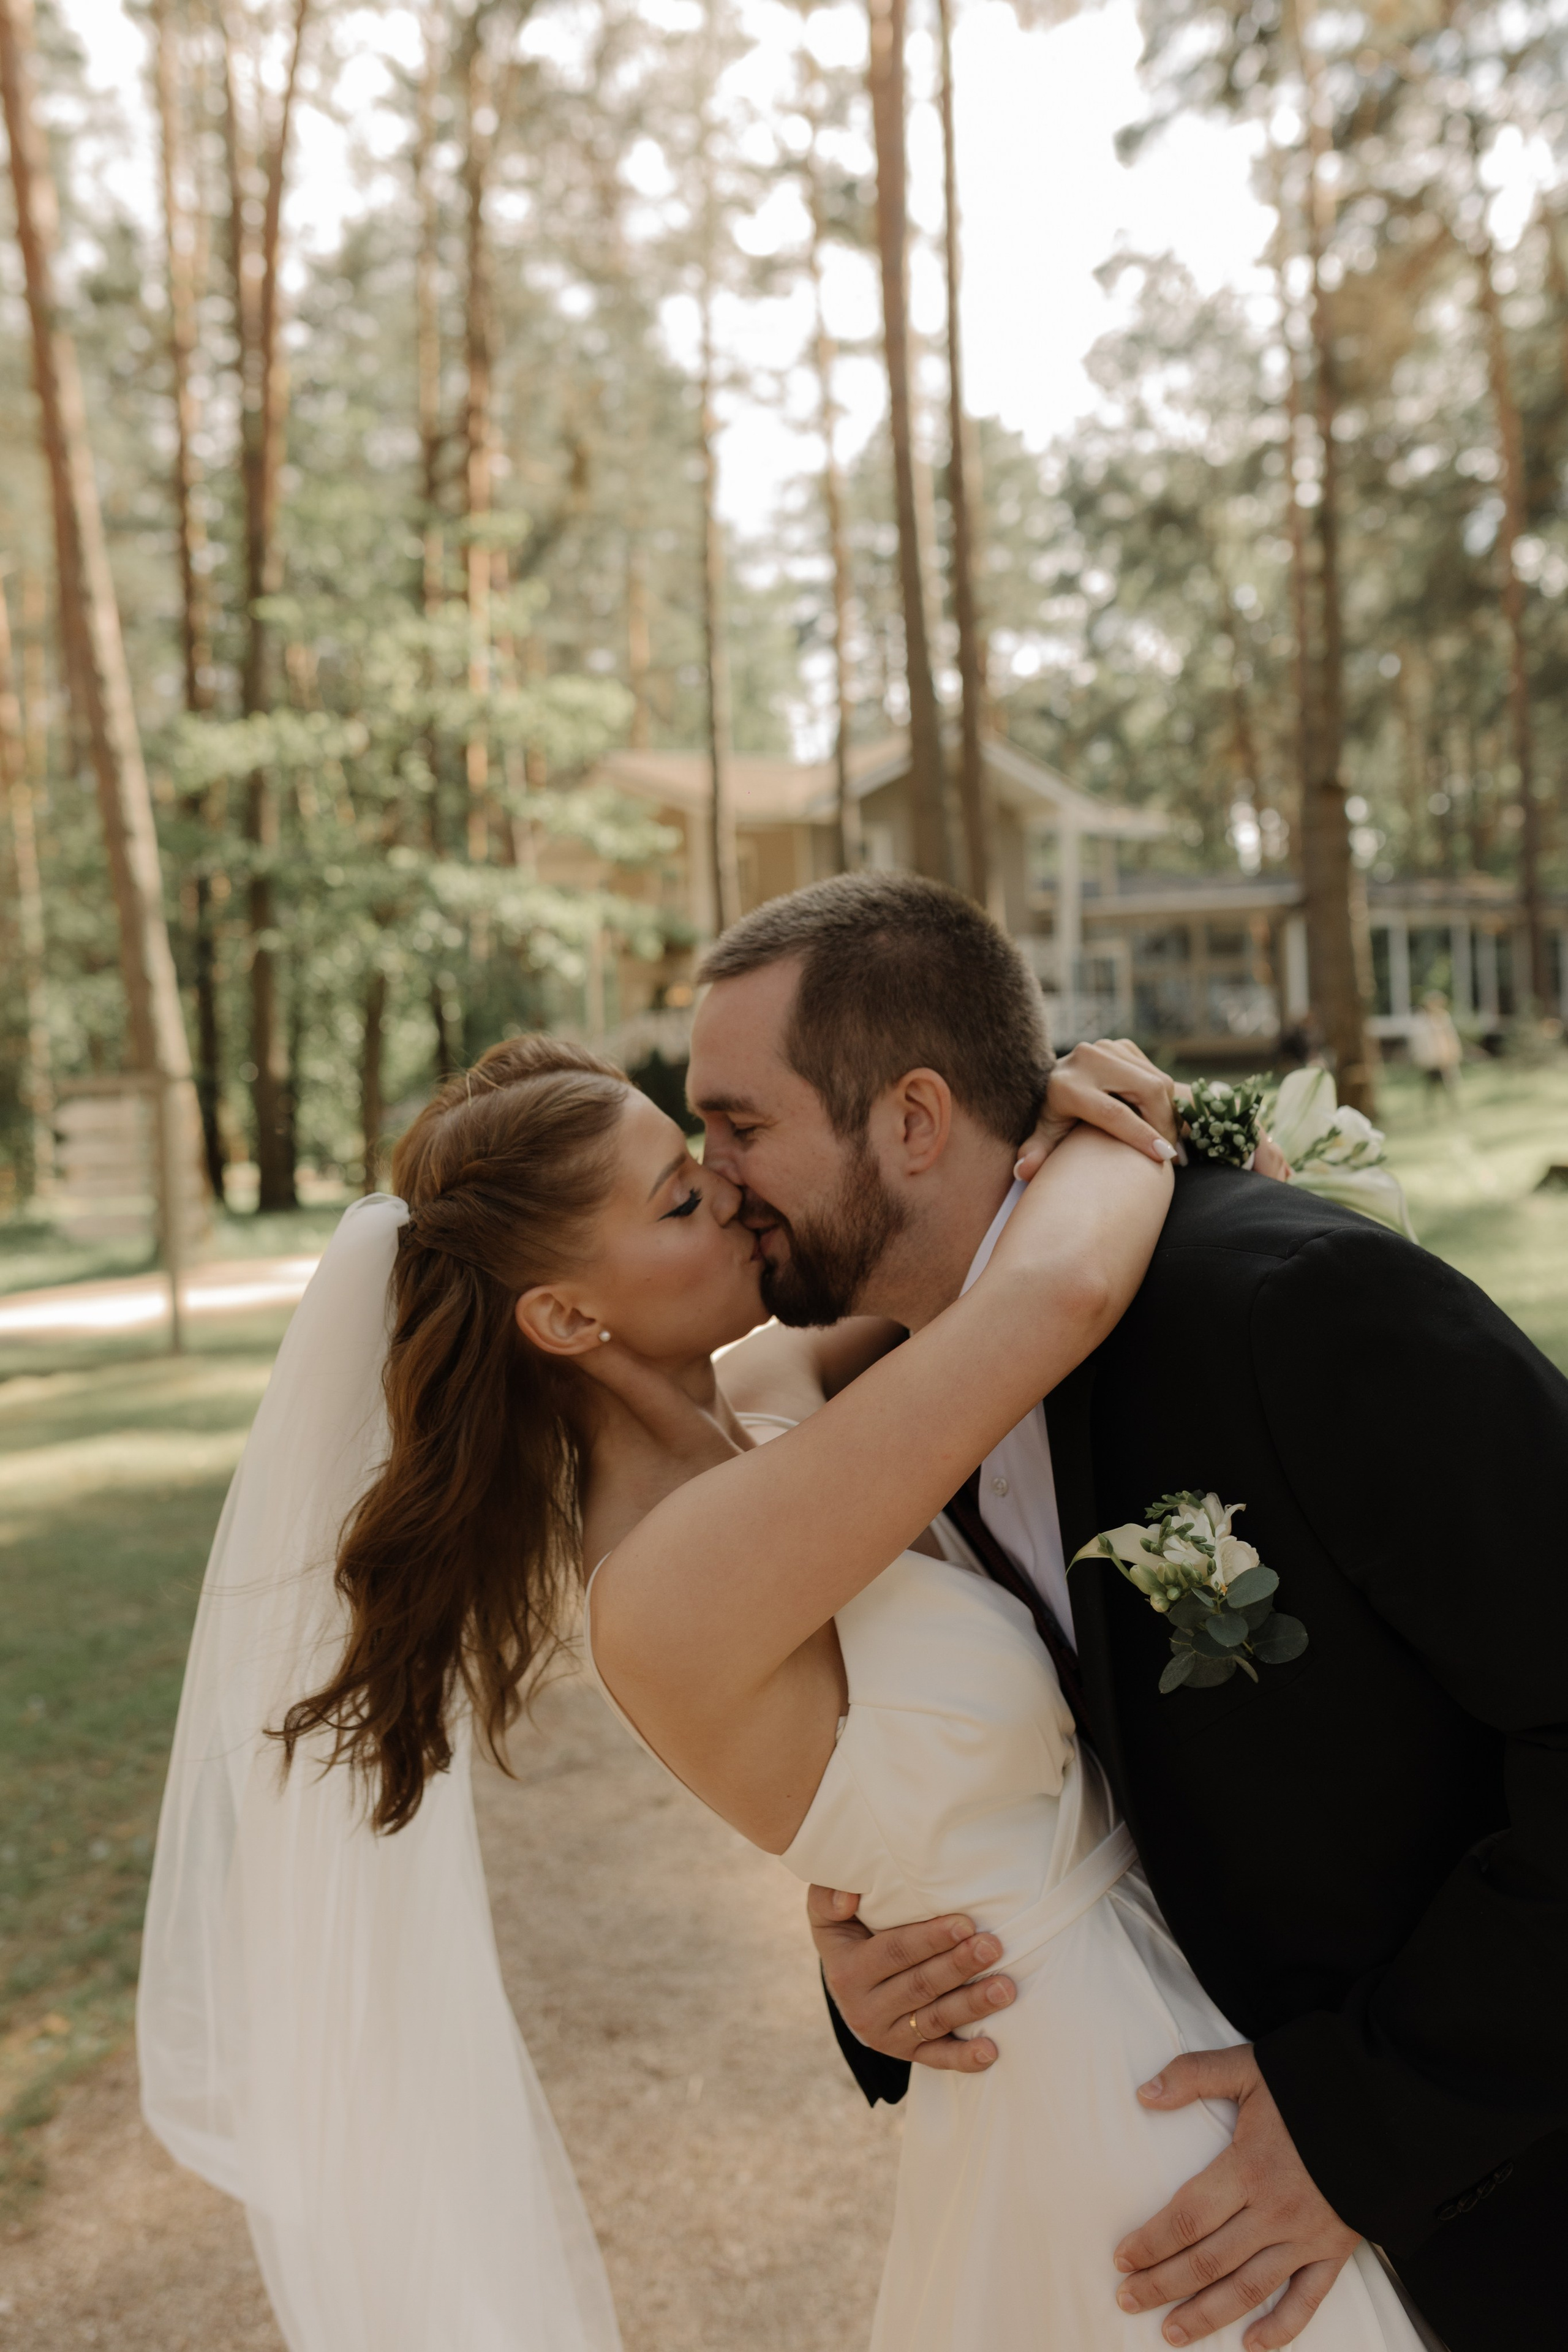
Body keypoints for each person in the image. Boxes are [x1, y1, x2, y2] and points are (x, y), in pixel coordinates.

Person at [135, 1012, 1184, 2351]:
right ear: (568, 1315)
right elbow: (1054, 1296)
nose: (733, 1193)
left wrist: (1052, 1099)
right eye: (682, 1198)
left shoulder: (766, 1401)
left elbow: (975, 1260)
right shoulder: (665, 1582)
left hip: (1139, 1992)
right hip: (1082, 2088)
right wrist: (1133, 1108)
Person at [682, 872, 1568, 2352]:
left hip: (1494, 2218)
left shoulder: (1289, 1306)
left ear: (909, 1118)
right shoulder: (884, 1411)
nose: (710, 1177)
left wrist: (1364, 2122)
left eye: (736, 1124)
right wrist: (872, 1971)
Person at [1408, 992, 1463, 1110]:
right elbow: (1419, 1044)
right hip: (1432, 1061)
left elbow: (1451, 1038)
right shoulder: (1421, 1021)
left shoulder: (1444, 1018)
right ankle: (1431, 1112)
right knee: (1431, 1089)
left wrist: (1453, 1054)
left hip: (1446, 1060)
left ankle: (1453, 1110)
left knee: (1450, 1087)